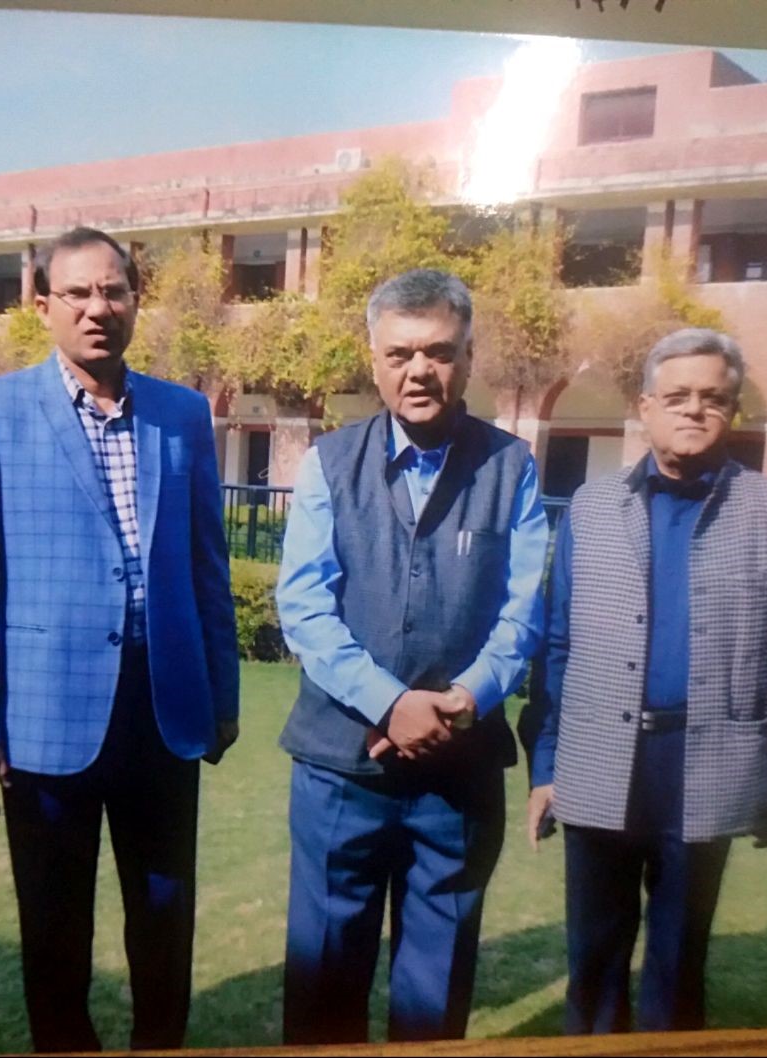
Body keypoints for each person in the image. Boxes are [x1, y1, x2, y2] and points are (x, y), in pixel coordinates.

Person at [0, 226, 240, 1052]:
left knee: (164, 918)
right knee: (54, 930)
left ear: (136, 301)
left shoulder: (181, 413)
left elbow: (208, 567)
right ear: (43, 306)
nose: (96, 308)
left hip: (165, 709)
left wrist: (221, 698)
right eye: (77, 293)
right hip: (45, 717)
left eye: (113, 291)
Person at [523, 327, 767, 1034]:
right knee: (593, 961)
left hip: (707, 762)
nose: (694, 409)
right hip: (598, 758)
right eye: (678, 395)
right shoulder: (592, 508)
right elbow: (557, 645)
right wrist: (545, 765)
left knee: (679, 963)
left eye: (713, 398)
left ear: (733, 411)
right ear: (646, 407)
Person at [275, 268, 549, 1043]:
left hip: (458, 776)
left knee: (435, 995)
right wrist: (390, 703)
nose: (419, 371)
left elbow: (524, 609)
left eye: (439, 352)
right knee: (323, 985)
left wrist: (466, 697)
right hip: (342, 770)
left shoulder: (512, 467)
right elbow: (305, 606)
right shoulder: (329, 463)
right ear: (374, 360)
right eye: (399, 354)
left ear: (468, 357)